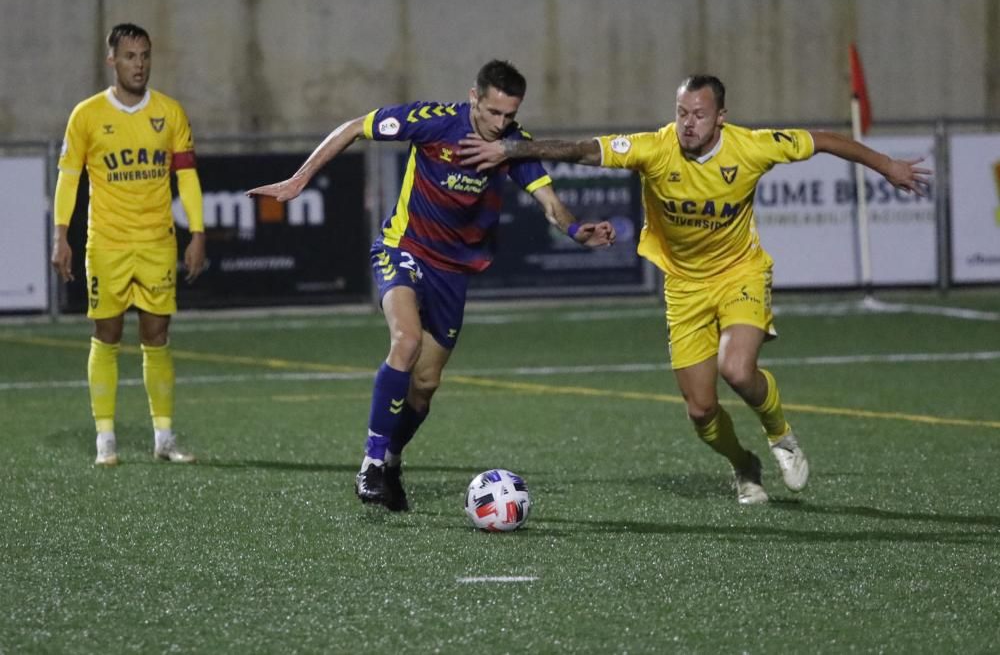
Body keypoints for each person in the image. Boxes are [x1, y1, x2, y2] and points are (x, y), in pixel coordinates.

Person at [459, 74, 930, 504]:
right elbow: (582, 149)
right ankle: (744, 465)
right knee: (701, 412)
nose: (688, 123)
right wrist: (513, 150)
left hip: (739, 273)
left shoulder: (751, 147)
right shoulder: (653, 148)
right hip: (683, 286)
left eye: (699, 114)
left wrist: (886, 165)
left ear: (720, 117)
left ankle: (780, 434)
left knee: (738, 369)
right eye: (682, 112)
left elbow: (825, 140)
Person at [248, 60, 615, 511]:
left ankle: (392, 460)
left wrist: (578, 232)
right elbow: (354, 127)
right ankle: (371, 463)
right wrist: (299, 179)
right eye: (493, 112)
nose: (501, 125)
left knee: (425, 385)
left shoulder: (514, 147)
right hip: (402, 248)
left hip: (452, 273)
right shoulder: (435, 122)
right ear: (474, 98)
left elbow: (551, 204)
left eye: (509, 115)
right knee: (404, 342)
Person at [51, 23, 206, 467]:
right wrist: (61, 235)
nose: (139, 65)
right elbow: (69, 178)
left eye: (145, 56)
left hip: (157, 242)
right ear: (112, 60)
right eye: (130, 56)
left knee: (157, 337)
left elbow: (187, 177)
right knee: (107, 334)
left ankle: (164, 437)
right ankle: (106, 439)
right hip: (107, 244)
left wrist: (197, 232)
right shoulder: (86, 115)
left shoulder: (170, 113)